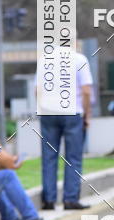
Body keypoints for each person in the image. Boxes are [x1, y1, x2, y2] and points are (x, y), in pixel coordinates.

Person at [38, 47, 93, 210]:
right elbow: (86, 91)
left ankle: (48, 200)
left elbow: (37, 90)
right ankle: (70, 199)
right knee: (73, 158)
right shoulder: (80, 59)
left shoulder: (44, 60)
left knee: (48, 157)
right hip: (73, 113)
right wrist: (87, 115)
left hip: (48, 113)